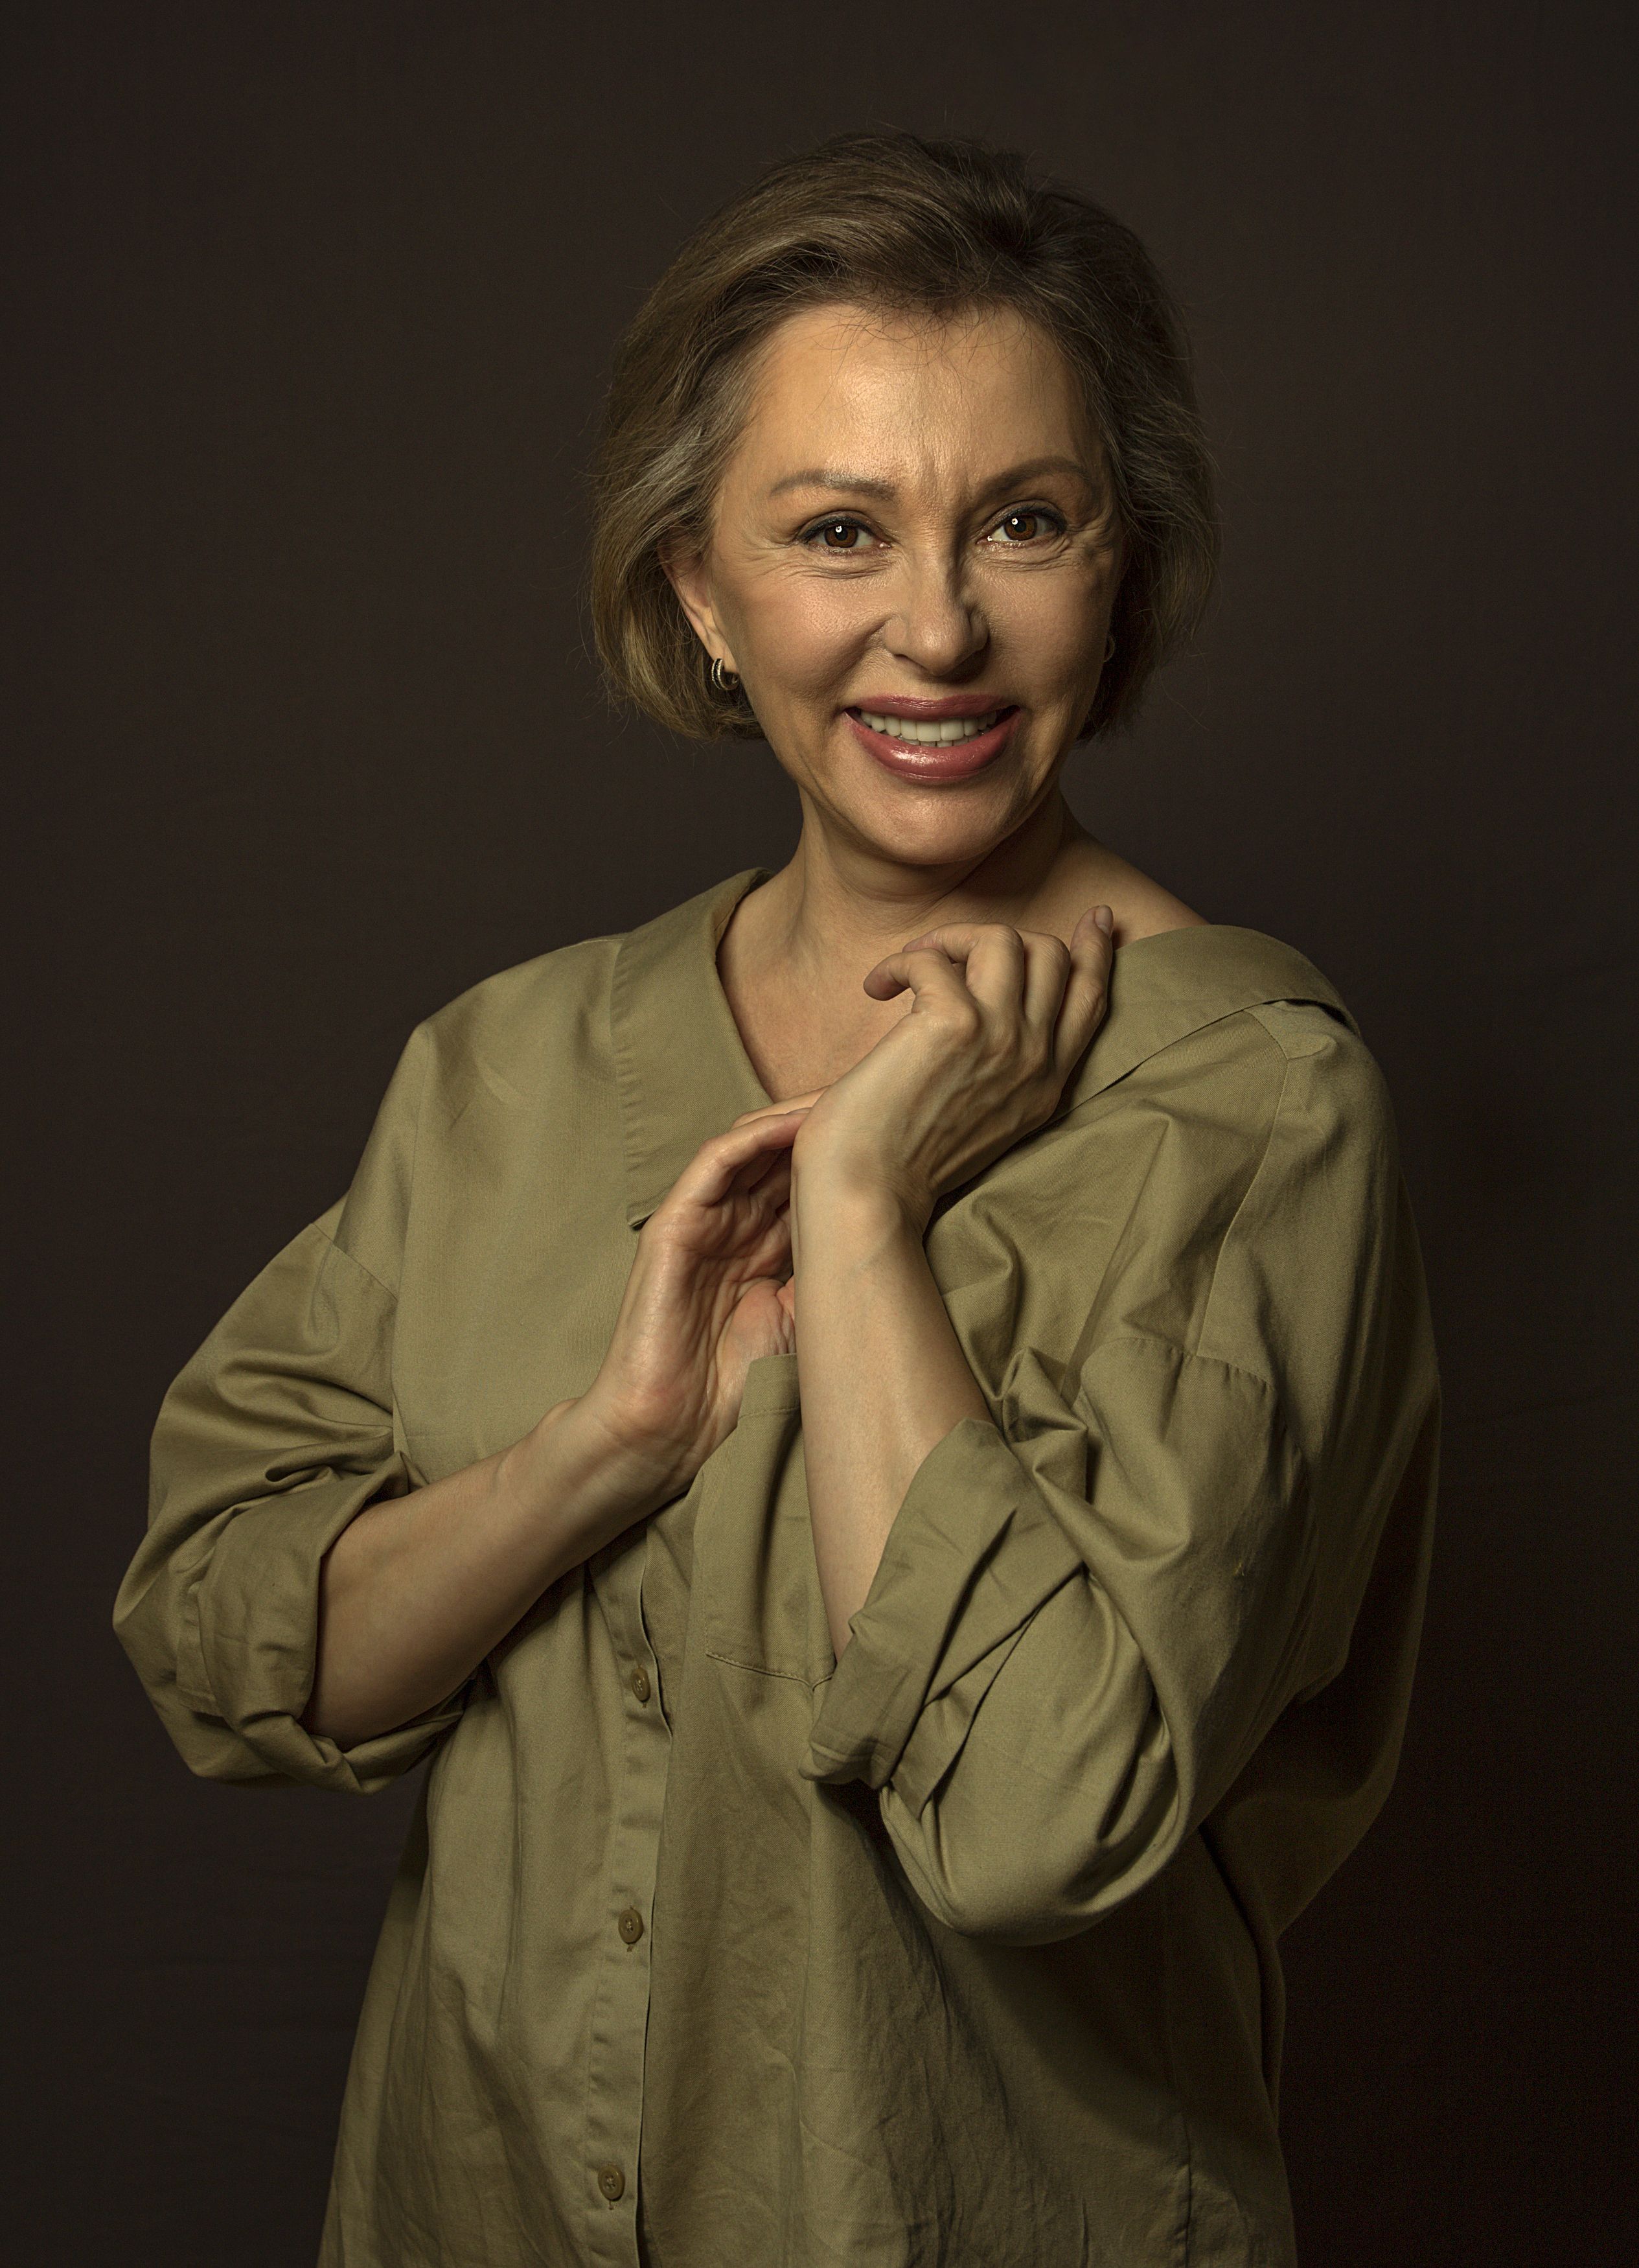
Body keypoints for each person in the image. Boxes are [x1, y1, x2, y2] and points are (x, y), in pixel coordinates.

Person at [115, 129, 1439, 2268]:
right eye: (838, 530)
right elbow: (222, 1641)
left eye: (1023, 520)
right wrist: (604, 1449)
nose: (937, 627)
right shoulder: (505, 1065)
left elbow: (1033, 1820)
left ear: (1119, 568)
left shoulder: (1252, 1108)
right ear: (699, 592)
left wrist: (862, 1211)